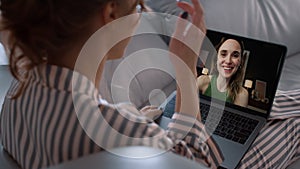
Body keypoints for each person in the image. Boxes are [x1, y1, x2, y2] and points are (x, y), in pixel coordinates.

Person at [0, 0, 223, 169]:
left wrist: (130, 120)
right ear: (111, 13)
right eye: (137, 8)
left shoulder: (16, 95)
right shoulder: (117, 130)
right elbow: (200, 163)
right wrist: (185, 68)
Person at [197, 38, 249, 107]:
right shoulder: (202, 81)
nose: (228, 61)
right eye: (223, 54)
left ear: (240, 62)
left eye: (235, 55)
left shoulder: (242, 94)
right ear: (216, 58)